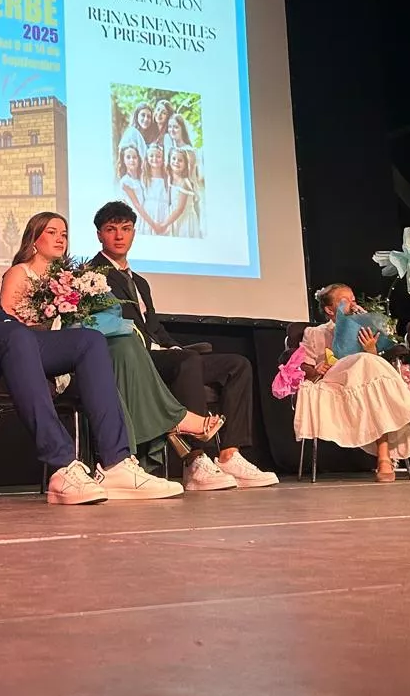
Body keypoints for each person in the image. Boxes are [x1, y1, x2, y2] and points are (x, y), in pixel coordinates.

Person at [0, 155, 179, 503]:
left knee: (88, 342)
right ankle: (62, 465)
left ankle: (116, 462)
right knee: (13, 336)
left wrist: (5, 320)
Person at [0, 211, 218, 488]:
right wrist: (48, 320)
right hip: (42, 355)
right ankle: (170, 422)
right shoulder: (19, 273)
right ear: (34, 237)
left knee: (126, 342)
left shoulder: (70, 277)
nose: (60, 239)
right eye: (52, 232)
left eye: (64, 234)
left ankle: (128, 461)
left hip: (77, 350)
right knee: (111, 347)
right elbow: (6, 326)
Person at [89, 201, 277, 489]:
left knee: (237, 365)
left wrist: (173, 346)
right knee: (186, 362)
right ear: (99, 234)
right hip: (132, 359)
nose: (119, 236)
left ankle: (229, 454)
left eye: (125, 229)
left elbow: (154, 328)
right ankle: (195, 459)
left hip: (161, 355)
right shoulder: (93, 276)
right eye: (111, 229)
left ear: (134, 233)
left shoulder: (139, 281)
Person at [276, 284, 410, 484]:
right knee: (367, 364)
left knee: (374, 388)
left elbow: (371, 365)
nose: (353, 304)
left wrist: (371, 348)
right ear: (330, 310)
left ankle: (384, 460)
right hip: (333, 380)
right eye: (345, 301)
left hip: (361, 382)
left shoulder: (362, 327)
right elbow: (303, 366)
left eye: (353, 299)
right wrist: (316, 368)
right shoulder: (315, 333)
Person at [116, 142, 156, 230]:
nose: (132, 160)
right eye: (128, 157)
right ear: (123, 160)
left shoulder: (140, 179)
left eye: (134, 157)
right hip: (136, 218)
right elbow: (137, 205)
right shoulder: (126, 181)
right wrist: (153, 225)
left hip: (145, 217)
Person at [165, 148, 203, 239]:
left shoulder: (185, 183)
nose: (176, 162)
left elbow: (180, 209)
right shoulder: (170, 178)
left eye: (180, 160)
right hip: (175, 218)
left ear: (185, 164)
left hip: (186, 219)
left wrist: (164, 225)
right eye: (174, 159)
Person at [140, 144, 173, 234]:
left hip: (163, 211)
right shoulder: (144, 176)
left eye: (158, 156)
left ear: (163, 159)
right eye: (151, 156)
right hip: (149, 211)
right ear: (147, 158)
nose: (154, 159)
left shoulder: (167, 176)